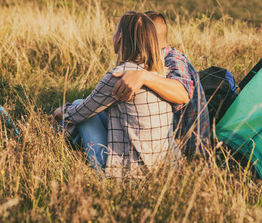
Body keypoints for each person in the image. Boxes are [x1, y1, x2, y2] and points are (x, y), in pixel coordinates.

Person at [53, 12, 181, 177]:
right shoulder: (159, 72)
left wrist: (58, 112)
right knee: (86, 108)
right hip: (164, 170)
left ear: (120, 38)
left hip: (128, 174)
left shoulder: (120, 76)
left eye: (114, 31)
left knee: (77, 106)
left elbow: (78, 113)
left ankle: (58, 152)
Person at [112, 11, 210, 156]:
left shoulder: (173, 59)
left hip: (183, 150)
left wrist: (144, 76)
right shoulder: (151, 59)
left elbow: (182, 94)